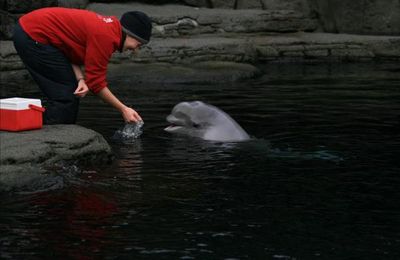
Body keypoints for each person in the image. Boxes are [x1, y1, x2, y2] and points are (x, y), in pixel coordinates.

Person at [13, 7, 152, 124]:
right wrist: (124, 109)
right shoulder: (106, 36)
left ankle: (53, 130)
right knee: (65, 97)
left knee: (68, 92)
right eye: (138, 44)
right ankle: (53, 138)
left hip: (35, 32)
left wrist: (80, 79)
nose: (135, 49)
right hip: (32, 35)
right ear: (129, 34)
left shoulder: (109, 28)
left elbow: (67, 49)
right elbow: (96, 84)